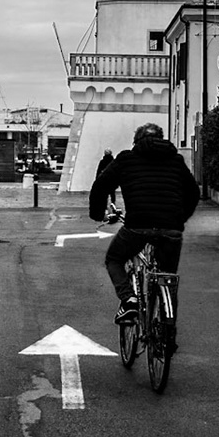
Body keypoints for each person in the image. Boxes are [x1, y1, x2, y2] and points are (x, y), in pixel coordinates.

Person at [87, 123, 200, 325]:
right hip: (171, 229)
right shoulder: (176, 161)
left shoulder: (126, 159)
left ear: (136, 141)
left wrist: (98, 214)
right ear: (162, 138)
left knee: (114, 259)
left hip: (137, 226)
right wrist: (180, 219)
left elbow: (100, 185)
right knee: (168, 277)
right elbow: (193, 192)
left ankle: (129, 300)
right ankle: (167, 335)